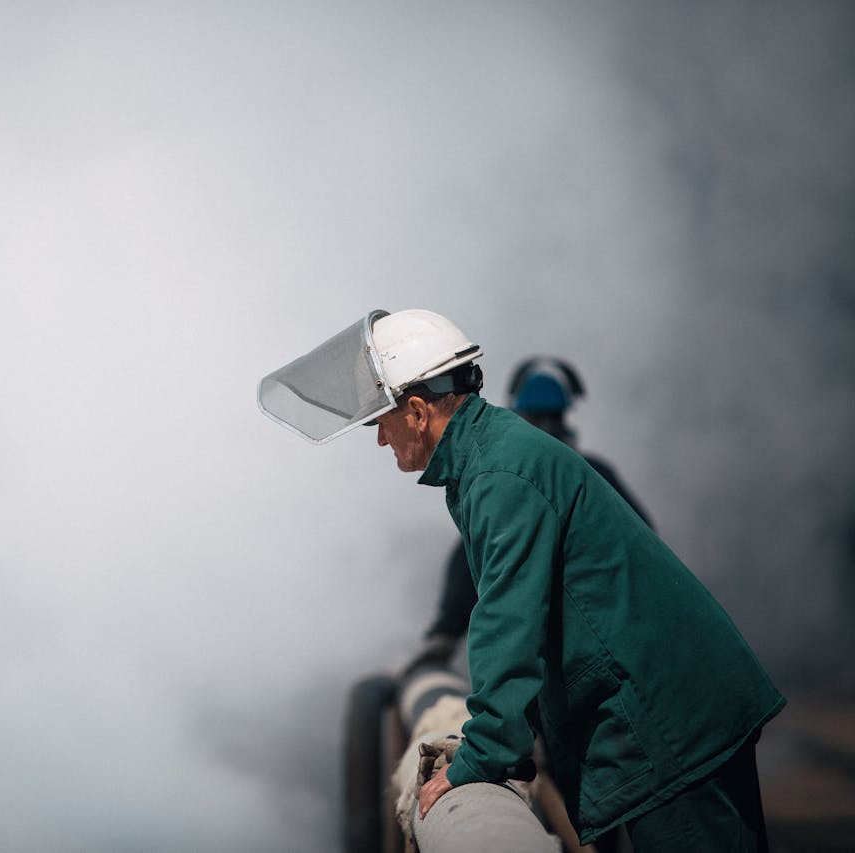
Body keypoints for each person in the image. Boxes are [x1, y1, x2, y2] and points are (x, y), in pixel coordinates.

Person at [258, 309, 784, 851]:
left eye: (379, 422)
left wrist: (481, 755)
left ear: (416, 411)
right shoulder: (491, 457)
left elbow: (508, 620)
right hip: (671, 712)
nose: (379, 440)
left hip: (673, 728)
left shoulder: (498, 475)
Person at [419, 357, 652, 668]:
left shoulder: (513, 482)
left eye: (549, 419)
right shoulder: (592, 475)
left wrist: (444, 634)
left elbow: (472, 556)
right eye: (539, 420)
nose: (545, 430)